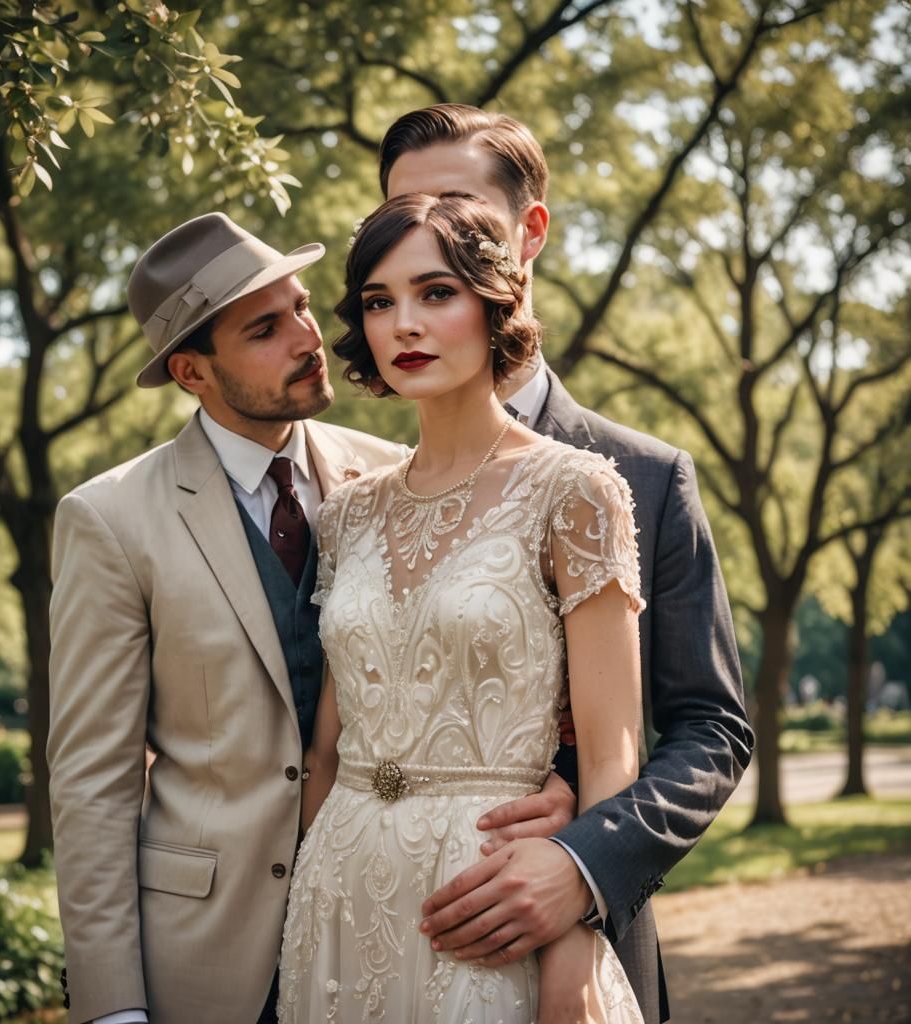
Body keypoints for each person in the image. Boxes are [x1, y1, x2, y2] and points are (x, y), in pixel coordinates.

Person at [47, 211, 573, 1024]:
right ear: (192, 371)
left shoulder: (393, 476)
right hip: (204, 954)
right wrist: (112, 1007)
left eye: (300, 307)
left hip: (397, 919)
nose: (307, 336)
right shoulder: (110, 519)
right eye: (265, 328)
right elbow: (92, 781)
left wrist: (562, 795)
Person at [378, 104, 755, 1022]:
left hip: (575, 950)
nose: (428, 233)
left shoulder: (647, 477)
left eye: (459, 210)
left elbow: (711, 728)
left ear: (530, 231)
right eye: (400, 211)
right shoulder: (366, 493)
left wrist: (584, 862)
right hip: (386, 932)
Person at [278, 190, 646, 1023]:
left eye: (435, 292)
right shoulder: (347, 514)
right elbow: (329, 749)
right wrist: (305, 903)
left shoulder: (576, 490)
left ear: (495, 301)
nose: (404, 322)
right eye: (381, 302)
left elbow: (613, 749)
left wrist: (577, 935)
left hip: (495, 894)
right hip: (338, 898)